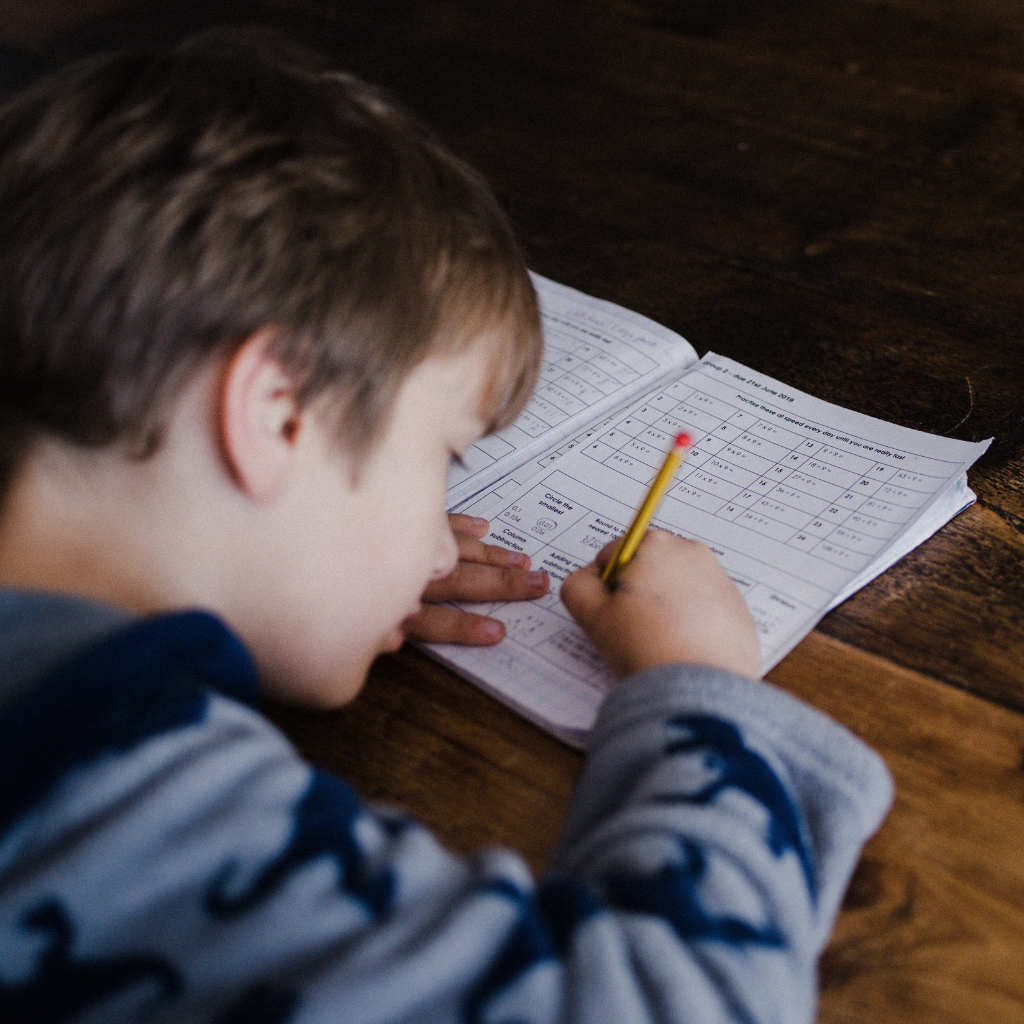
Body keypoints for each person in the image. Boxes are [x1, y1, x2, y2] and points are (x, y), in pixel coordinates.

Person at [0, 31, 892, 1024]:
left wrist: (295, 588)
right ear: (277, 415)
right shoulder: (111, 797)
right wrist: (703, 691)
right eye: (443, 458)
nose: (439, 542)